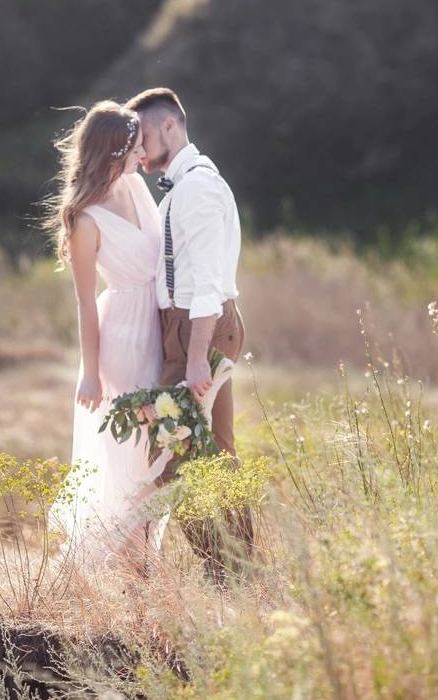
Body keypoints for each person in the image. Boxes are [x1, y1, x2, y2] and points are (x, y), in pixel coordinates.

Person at [126, 87, 252, 579]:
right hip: (196, 327)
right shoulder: (186, 187)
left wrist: (195, 356)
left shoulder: (197, 188)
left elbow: (203, 282)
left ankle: (225, 572)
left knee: (174, 455)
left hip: (198, 328)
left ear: (168, 128)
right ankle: (235, 570)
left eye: (141, 137)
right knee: (213, 451)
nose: (137, 151)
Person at [43, 101, 171, 566]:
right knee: (133, 457)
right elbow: (83, 301)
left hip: (159, 325)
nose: (144, 156)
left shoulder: (137, 187)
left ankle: (143, 563)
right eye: (137, 148)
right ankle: (135, 568)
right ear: (114, 152)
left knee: (162, 448)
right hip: (123, 337)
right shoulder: (86, 219)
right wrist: (91, 374)